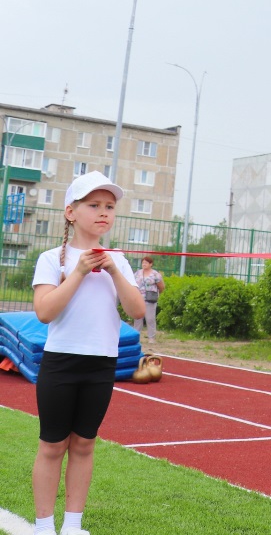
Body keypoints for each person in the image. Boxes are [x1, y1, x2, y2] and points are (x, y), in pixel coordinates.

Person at [30, 171, 145, 535]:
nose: (103, 212)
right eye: (94, 205)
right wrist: (79, 271)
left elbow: (136, 310)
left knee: (84, 444)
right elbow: (45, 312)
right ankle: (43, 526)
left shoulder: (119, 261)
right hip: (61, 362)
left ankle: (73, 525)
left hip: (101, 364)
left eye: (109, 206)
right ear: (71, 212)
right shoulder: (53, 259)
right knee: (52, 445)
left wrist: (113, 271)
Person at [132, 256, 165, 344]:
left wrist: (155, 294)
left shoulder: (155, 274)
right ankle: (136, 337)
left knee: (150, 318)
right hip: (138, 298)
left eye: (146, 263)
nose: (144, 264)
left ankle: (151, 337)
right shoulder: (137, 273)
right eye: (143, 262)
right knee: (138, 318)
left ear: (151, 264)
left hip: (150, 299)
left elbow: (161, 286)